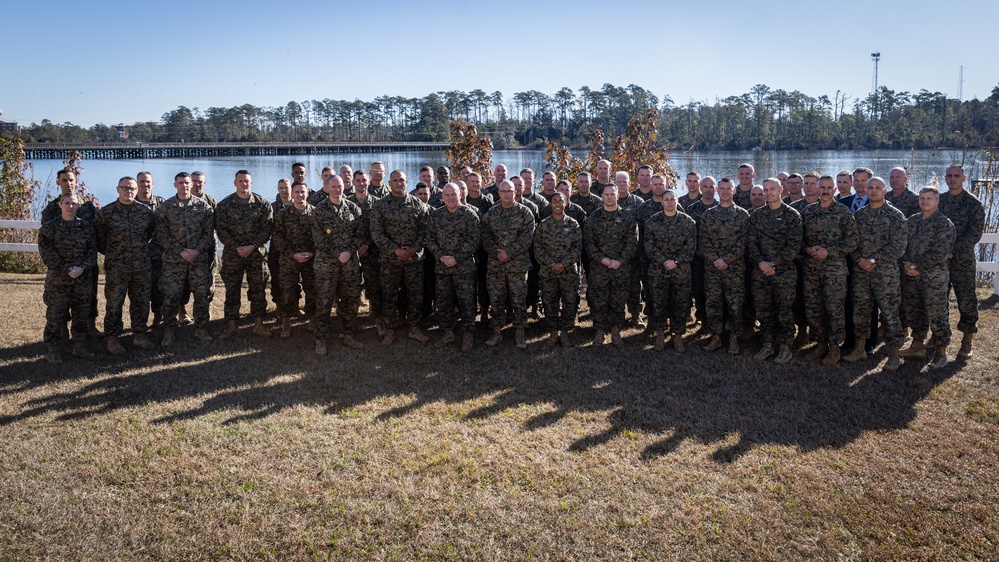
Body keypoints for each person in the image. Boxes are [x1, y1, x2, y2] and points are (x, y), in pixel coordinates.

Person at [842, 176, 907, 370]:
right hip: (861, 273)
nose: (873, 191)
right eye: (870, 187)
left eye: (878, 188)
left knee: (889, 313)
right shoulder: (859, 215)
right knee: (860, 311)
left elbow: (898, 246)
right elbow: (851, 241)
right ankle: (860, 348)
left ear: (884, 191)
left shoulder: (895, 216)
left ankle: (893, 353)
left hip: (885, 274)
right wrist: (859, 260)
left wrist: (873, 260)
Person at [94, 176, 157, 355]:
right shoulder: (106, 213)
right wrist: (115, 253)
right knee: (114, 303)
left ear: (137, 190)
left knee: (141, 302)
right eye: (125, 188)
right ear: (118, 189)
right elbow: (99, 239)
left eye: (132, 189)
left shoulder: (145, 212)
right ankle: (113, 338)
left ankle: (139, 335)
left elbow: (150, 234)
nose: (128, 191)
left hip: (141, 266)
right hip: (117, 267)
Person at [800, 175, 859, 365]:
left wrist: (829, 251)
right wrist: (807, 249)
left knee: (834, 309)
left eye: (829, 187)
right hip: (811, 270)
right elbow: (798, 238)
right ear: (817, 189)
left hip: (834, 271)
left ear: (834, 190)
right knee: (813, 308)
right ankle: (821, 343)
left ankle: (835, 347)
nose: (825, 191)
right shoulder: (808, 211)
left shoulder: (843, 212)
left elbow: (852, 240)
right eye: (822, 187)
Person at [369, 170, 431, 345]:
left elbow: (425, 231)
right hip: (390, 260)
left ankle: (414, 328)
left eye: (401, 180)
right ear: (389, 183)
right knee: (389, 295)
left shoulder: (418, 204)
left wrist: (412, 249)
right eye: (395, 180)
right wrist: (395, 250)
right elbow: (376, 233)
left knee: (415, 294)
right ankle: (390, 329)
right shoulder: (380, 206)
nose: (398, 183)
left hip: (413, 260)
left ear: (407, 182)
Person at [156, 172, 216, 346]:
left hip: (198, 260)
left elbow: (208, 234)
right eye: (181, 183)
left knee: (201, 295)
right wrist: (180, 251)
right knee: (171, 296)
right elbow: (161, 234)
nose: (184, 186)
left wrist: (196, 251)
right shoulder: (165, 208)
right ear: (175, 185)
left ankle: (201, 328)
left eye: (187, 183)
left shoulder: (204, 207)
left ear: (191, 184)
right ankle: (169, 329)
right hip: (174, 261)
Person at [747, 178, 803, 364]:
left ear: (781, 189)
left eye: (772, 189)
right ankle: (767, 344)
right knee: (764, 311)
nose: (768, 193)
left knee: (784, 310)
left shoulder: (792, 215)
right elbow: (752, 243)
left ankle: (786, 346)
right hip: (761, 273)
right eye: (765, 190)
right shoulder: (757, 215)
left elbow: (793, 246)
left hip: (783, 273)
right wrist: (761, 263)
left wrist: (772, 263)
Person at [900, 187, 957, 369]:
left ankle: (940, 353)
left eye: (929, 199)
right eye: (922, 198)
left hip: (934, 277)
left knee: (937, 315)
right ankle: (917, 347)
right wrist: (907, 264)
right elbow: (902, 245)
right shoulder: (912, 220)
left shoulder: (944, 224)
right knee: (915, 312)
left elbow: (940, 252)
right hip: (911, 276)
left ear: (937, 201)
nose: (924, 202)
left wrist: (916, 266)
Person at [38, 193, 98, 363]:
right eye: (67, 203)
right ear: (60, 204)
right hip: (58, 280)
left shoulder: (86, 227)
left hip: (82, 279)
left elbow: (92, 251)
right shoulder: (49, 228)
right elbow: (47, 255)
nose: (71, 207)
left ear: (78, 206)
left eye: (74, 204)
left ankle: (79, 347)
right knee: (55, 315)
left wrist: (82, 268)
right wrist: (68, 269)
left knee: (81, 314)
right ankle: (53, 350)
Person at [215, 170, 274, 339]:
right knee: (232, 290)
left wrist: (252, 246)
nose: (244, 183)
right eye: (240, 181)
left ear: (251, 182)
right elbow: (221, 230)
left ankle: (258, 324)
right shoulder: (224, 205)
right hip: (233, 255)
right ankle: (232, 325)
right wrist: (237, 247)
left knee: (258, 289)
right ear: (235, 183)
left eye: (247, 180)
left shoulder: (262, 204)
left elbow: (267, 229)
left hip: (256, 255)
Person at [41, 168, 99, 336]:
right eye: (64, 180)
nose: (68, 183)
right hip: (61, 265)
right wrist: (64, 266)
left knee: (89, 296)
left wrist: (85, 264)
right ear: (58, 182)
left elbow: (97, 231)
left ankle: (90, 326)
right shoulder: (51, 208)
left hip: (85, 265)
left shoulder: (87, 206)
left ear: (76, 182)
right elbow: (47, 239)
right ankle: (62, 328)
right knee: (59, 301)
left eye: (71, 180)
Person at [311, 175, 365, 355]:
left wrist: (349, 251)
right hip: (326, 265)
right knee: (324, 301)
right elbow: (318, 238)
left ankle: (348, 334)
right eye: (333, 186)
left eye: (339, 186)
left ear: (344, 187)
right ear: (327, 187)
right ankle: (320, 339)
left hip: (349, 264)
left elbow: (360, 234)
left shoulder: (353, 208)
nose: (336, 189)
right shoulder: (319, 210)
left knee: (351, 300)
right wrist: (337, 253)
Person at [426, 183, 480, 351]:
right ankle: (448, 332)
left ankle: (468, 333)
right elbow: (429, 238)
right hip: (442, 268)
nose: (450, 198)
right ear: (443, 197)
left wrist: (457, 258)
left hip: (464, 268)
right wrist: (441, 256)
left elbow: (474, 240)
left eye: (453, 194)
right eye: (447, 195)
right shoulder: (436, 216)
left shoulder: (470, 215)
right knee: (443, 302)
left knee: (467, 302)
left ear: (460, 195)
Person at [938, 164, 985, 358]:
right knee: (939, 300)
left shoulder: (973, 204)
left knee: (966, 300)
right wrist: (941, 251)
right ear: (945, 178)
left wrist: (951, 249)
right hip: (940, 261)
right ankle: (939, 336)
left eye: (956, 175)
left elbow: (974, 234)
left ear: (963, 178)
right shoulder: (938, 200)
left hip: (962, 260)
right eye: (949, 175)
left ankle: (967, 340)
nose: (952, 179)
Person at [482, 180, 536, 348]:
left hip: (517, 265)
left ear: (515, 192)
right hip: (496, 264)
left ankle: (520, 333)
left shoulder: (525, 213)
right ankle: (496, 332)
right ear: (499, 193)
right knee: (496, 299)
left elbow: (527, 237)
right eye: (503, 191)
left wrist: (509, 252)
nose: (506, 194)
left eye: (510, 191)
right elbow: (485, 236)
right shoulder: (491, 213)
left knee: (519, 300)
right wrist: (496, 252)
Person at [699, 177, 750, 354]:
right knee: (713, 303)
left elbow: (743, 242)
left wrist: (726, 260)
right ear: (717, 190)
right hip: (712, 269)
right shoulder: (708, 215)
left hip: (734, 269)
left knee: (735, 304)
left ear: (734, 191)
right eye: (722, 189)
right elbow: (704, 242)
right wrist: (716, 259)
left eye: (729, 189)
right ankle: (716, 337)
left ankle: (734, 338)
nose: (725, 192)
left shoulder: (743, 215)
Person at [585, 183, 639, 347]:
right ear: (602, 197)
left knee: (618, 300)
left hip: (620, 268)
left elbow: (632, 242)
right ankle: (600, 331)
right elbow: (589, 243)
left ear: (618, 196)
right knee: (599, 300)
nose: (609, 197)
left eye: (612, 194)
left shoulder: (628, 218)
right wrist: (602, 259)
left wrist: (620, 261)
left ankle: (616, 331)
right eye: (606, 194)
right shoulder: (593, 218)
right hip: (599, 267)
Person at [644, 189, 696, 352]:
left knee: (680, 304)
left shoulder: (688, 222)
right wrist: (663, 261)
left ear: (677, 201)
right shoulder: (653, 221)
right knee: (658, 303)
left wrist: (676, 261)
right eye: (666, 199)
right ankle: (660, 335)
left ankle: (678, 336)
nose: (669, 202)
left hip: (681, 271)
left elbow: (690, 248)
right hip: (658, 270)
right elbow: (649, 246)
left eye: (672, 199)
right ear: (661, 202)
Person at [534, 192, 582, 348]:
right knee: (549, 302)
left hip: (568, 272)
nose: (557, 204)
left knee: (569, 302)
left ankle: (565, 332)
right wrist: (551, 264)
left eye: (561, 201)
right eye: (554, 201)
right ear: (550, 204)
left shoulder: (573, 224)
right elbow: (538, 248)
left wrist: (563, 264)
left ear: (566, 203)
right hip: (548, 272)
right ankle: (553, 332)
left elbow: (577, 248)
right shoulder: (543, 225)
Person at [272, 181, 316, 339]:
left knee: (312, 290)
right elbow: (277, 238)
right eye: (296, 192)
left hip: (310, 259)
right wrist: (293, 254)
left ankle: (312, 319)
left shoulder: (316, 213)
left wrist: (312, 253)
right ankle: (286, 322)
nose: (300, 195)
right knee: (287, 291)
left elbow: (321, 237)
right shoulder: (283, 215)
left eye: (302, 192)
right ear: (292, 194)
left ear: (307, 193)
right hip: (289, 260)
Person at [348, 170, 385, 334]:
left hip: (373, 253)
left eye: (364, 180)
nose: (361, 183)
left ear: (368, 182)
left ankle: (378, 318)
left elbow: (380, 229)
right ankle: (350, 321)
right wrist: (356, 246)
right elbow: (344, 229)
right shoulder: (347, 202)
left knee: (375, 287)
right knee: (351, 288)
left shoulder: (378, 203)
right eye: (358, 180)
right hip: (352, 253)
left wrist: (367, 245)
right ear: (353, 183)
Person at [685, 176, 718, 328]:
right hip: (697, 258)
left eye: (711, 186)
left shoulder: (720, 208)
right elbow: (687, 235)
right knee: (698, 289)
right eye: (705, 186)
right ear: (701, 188)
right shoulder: (691, 210)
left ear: (715, 189)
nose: (708, 190)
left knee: (714, 292)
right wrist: (695, 251)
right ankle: (701, 317)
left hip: (715, 259)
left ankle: (714, 321)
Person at [135, 171, 166, 325]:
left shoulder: (162, 203)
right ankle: (140, 323)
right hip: (136, 257)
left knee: (158, 289)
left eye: (147, 181)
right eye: (141, 181)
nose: (144, 185)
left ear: (152, 184)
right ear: (136, 184)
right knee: (139, 292)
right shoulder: (129, 202)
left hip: (158, 256)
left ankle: (158, 316)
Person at [269, 178, 295, 313]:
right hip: (277, 251)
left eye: (286, 187)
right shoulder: (272, 208)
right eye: (281, 188)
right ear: (278, 189)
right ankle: (279, 306)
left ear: (291, 188)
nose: (284, 190)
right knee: (277, 279)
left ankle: (295, 306)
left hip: (295, 249)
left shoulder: (298, 204)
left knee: (296, 280)